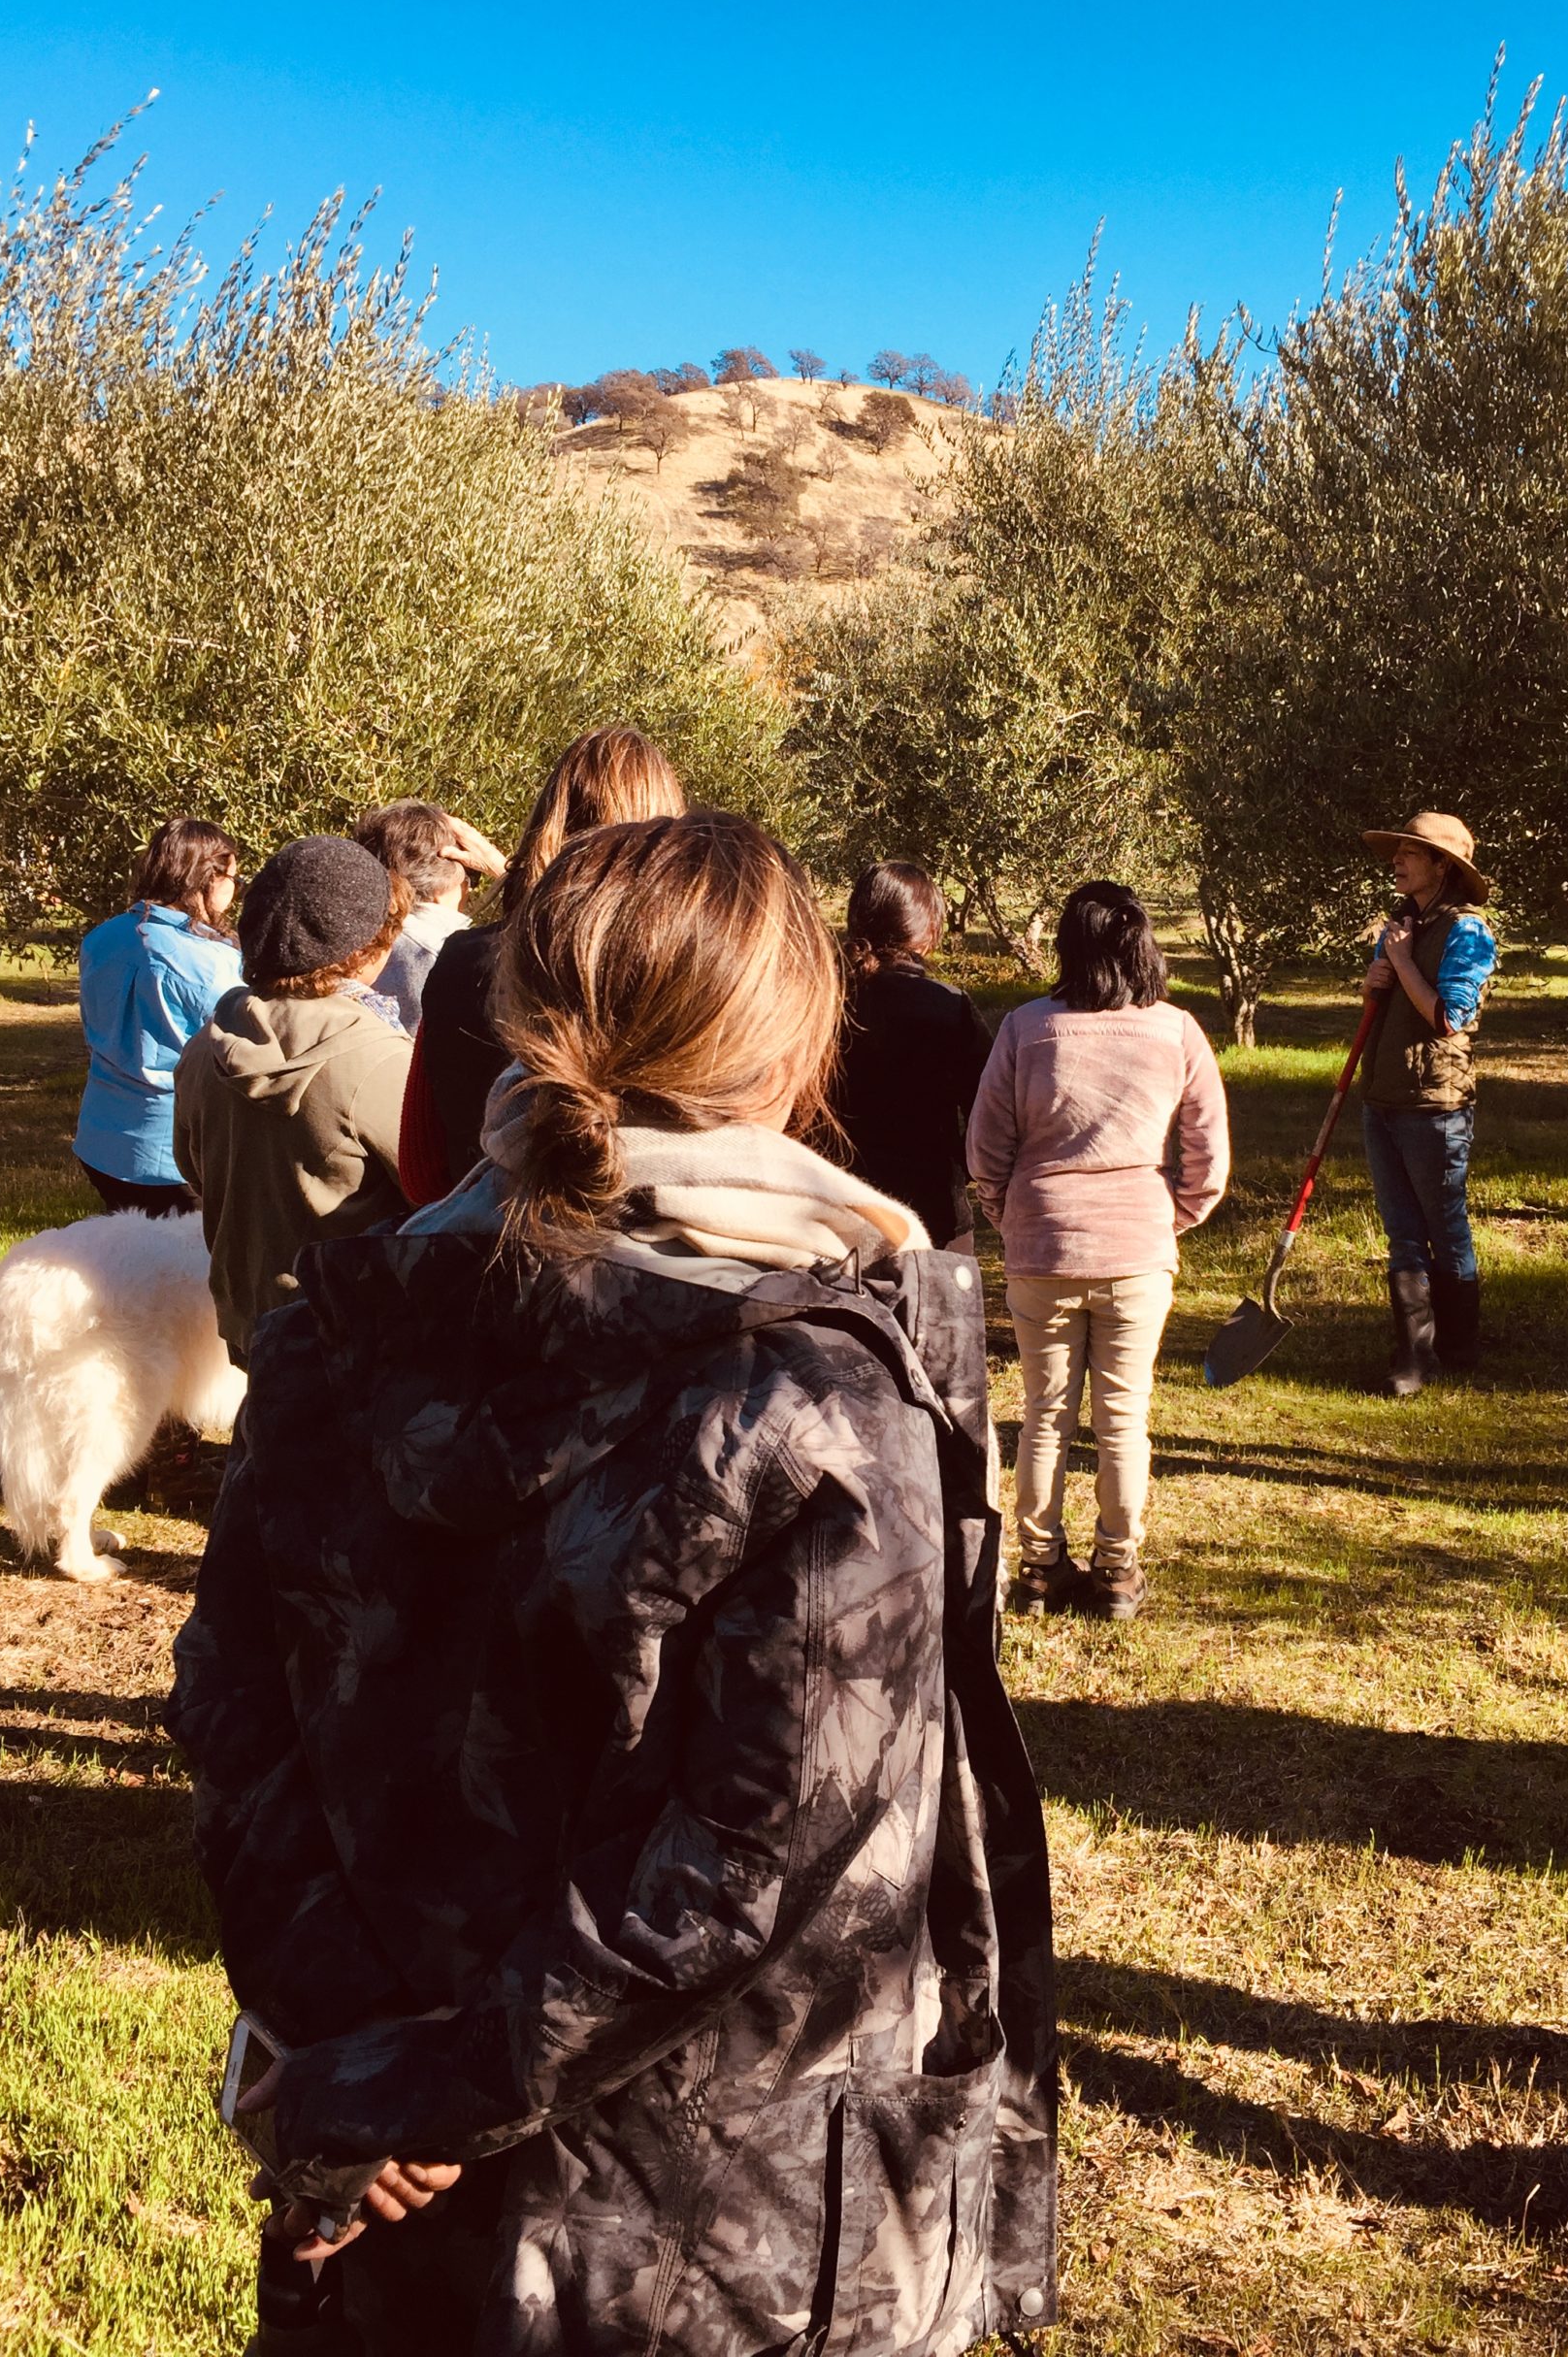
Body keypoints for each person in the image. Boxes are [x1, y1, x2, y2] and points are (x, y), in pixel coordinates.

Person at [168, 809, 1058, 2357]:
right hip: (717, 2242)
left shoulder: (336, 1327)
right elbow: (743, 1872)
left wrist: (364, 2064)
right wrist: (432, 2089)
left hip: (399, 2194)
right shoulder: (820, 1406)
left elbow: (234, 1717)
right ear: (793, 1057)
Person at [967, 880, 1229, 1623]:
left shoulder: (1024, 1028)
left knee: (1044, 1413)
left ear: (1067, 946)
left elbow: (986, 1147)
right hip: (1136, 1249)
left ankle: (1041, 1567)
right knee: (1124, 1416)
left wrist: (1010, 1212)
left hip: (1042, 1243)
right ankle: (1117, 1570)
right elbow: (1208, 1156)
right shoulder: (1177, 1031)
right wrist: (1167, 1220)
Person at [403, 725, 684, 1196]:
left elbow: (421, 1174)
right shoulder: (686, 974)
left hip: (485, 1251)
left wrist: (514, 876)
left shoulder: (460, 962)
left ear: (547, 822)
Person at [173, 836, 412, 1367]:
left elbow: (195, 1169)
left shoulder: (205, 1046)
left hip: (249, 1318)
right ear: (367, 947)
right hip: (351, 1328)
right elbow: (434, 1192)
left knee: (275, 1438)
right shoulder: (378, 1060)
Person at [1356, 810, 1499, 1396]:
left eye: (1410, 853)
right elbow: (1381, 1000)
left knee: (1444, 1225)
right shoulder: (1400, 925)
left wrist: (1408, 963)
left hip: (1434, 1102)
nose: (1396, 861)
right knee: (1401, 1230)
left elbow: (1450, 1017)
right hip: (1383, 1093)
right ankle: (1414, 1354)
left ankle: (1459, 1344)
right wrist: (1376, 977)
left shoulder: (1468, 931)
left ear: (1442, 865)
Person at [72, 817, 243, 1215]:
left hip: (101, 1138)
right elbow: (236, 1054)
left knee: (126, 1262)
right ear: (209, 877)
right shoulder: (212, 961)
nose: (235, 890)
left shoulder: (101, 937)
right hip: (173, 1156)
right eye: (234, 877)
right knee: (188, 1271)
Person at [829, 860, 993, 1252]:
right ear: (926, 929)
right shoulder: (948, 1005)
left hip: (833, 1205)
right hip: (931, 1208)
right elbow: (987, 1110)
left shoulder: (821, 999)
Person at [351, 800, 507, 1033]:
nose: (469, 889)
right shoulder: (459, 962)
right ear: (439, 888)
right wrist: (508, 873)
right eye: (472, 878)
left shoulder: (349, 943)